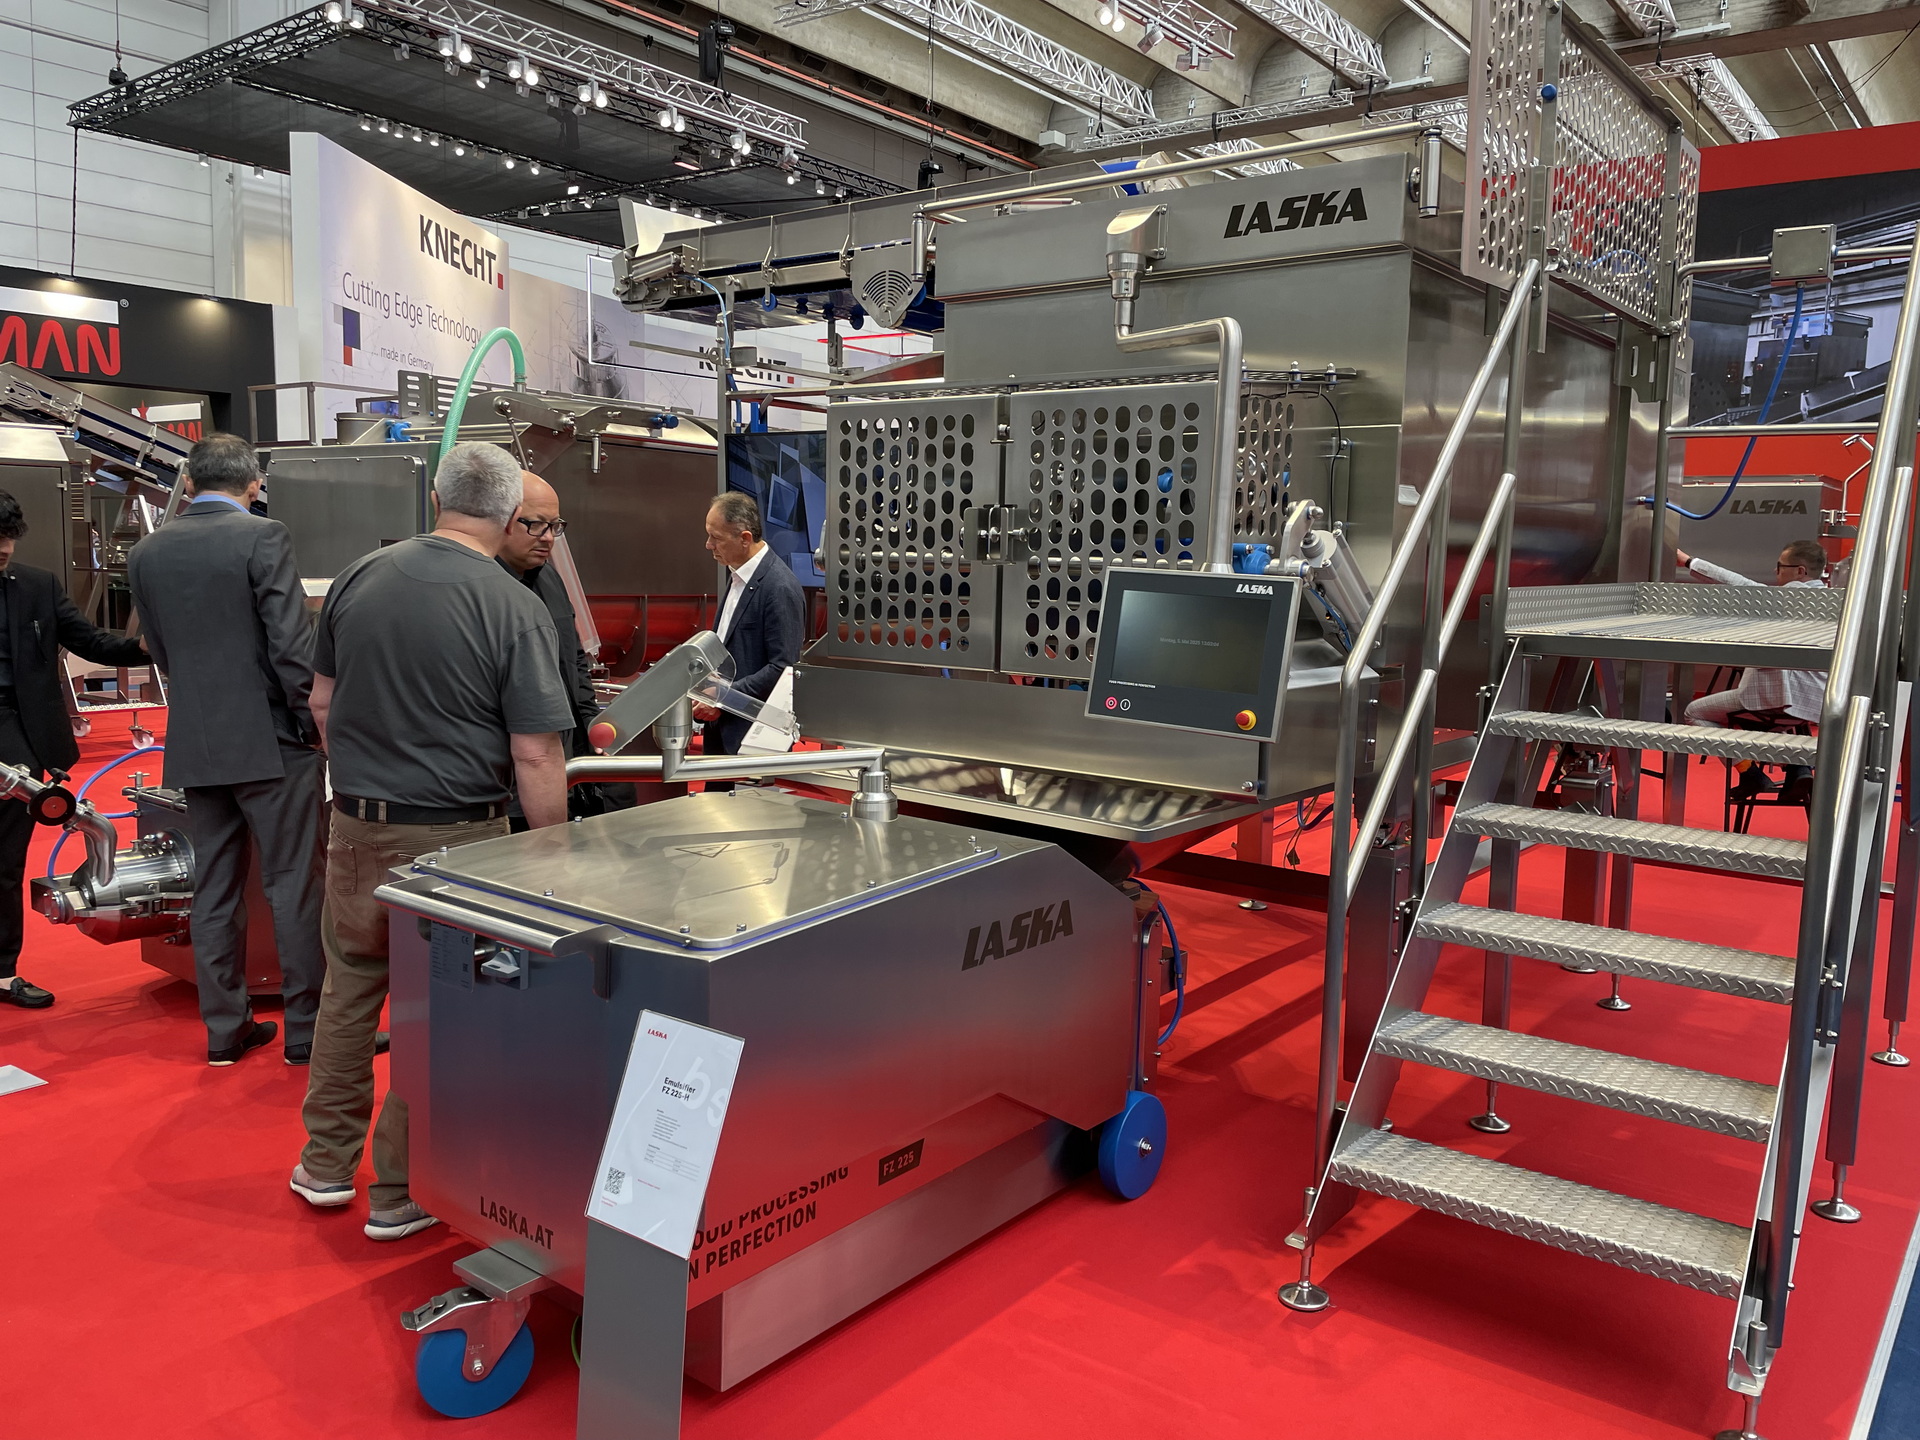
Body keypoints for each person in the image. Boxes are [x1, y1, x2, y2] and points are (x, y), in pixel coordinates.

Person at [289, 442, 574, 1241]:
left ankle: (324, 1163)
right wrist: (554, 857)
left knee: (350, 990)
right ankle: (400, 1190)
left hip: (357, 824)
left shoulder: (358, 576)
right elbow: (535, 752)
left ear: (438, 499)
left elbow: (321, 704)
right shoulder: (511, 605)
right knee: (440, 1011)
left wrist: (365, 774)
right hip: (459, 843)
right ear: (511, 514)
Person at [126, 434, 326, 1066]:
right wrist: (313, 722)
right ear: (254, 484)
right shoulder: (264, 537)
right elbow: (290, 646)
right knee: (293, 884)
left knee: (213, 886)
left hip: (196, 739)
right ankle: (307, 1033)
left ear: (189, 484)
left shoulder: (147, 551)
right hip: (273, 740)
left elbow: (158, 650)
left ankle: (225, 1030)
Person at [0, 492, 148, 1009]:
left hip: (23, 736)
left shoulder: (36, 585)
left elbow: (90, 641)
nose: (3, 547)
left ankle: (2, 972)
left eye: (8, 537)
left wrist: (148, 648)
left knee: (5, 860)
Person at [497, 471, 601, 827]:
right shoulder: (485, 591)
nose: (547, 537)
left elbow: (574, 660)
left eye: (555, 526)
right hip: (509, 786)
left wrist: (590, 726)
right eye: (535, 525)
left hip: (564, 767)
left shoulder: (549, 578)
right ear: (502, 520)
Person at [691, 492, 805, 759]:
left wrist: (724, 698)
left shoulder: (779, 587)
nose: (708, 545)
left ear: (744, 538)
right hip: (722, 730)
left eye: (716, 537)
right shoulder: (738, 575)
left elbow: (783, 668)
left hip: (753, 740)